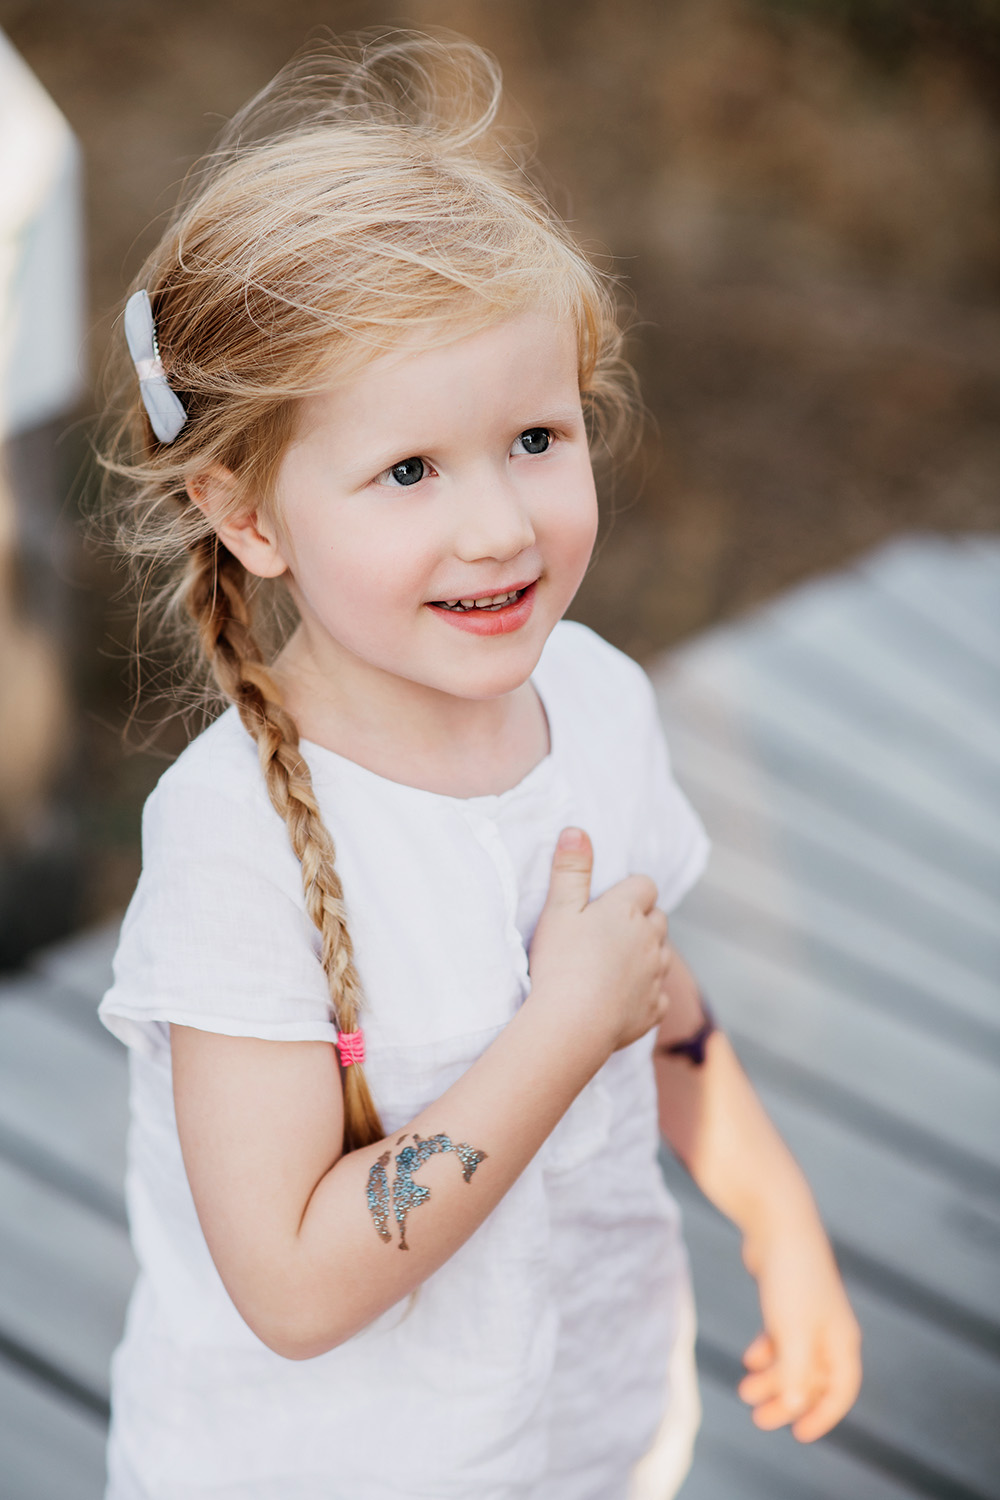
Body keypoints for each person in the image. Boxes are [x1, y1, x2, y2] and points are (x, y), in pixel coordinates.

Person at [96, 31, 861, 1500]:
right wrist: (554, 1034)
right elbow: (296, 1285)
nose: (501, 526)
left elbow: (649, 993)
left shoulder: (595, 703)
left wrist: (777, 1219)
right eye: (409, 472)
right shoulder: (236, 844)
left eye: (533, 437)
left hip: (582, 1426)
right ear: (246, 516)